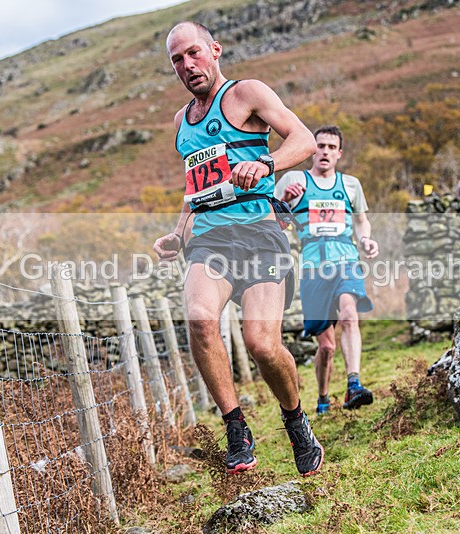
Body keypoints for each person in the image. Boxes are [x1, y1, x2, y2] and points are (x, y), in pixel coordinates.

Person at [152, 21, 324, 477]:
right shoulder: (181, 123)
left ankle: (295, 420)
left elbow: (303, 140)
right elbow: (195, 190)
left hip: (260, 235)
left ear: (215, 49)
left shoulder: (246, 93)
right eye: (177, 59)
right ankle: (236, 428)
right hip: (210, 240)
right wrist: (178, 232)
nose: (188, 65)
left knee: (261, 344)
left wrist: (265, 163)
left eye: (193, 53)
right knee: (200, 321)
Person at [274, 126, 380, 415]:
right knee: (327, 346)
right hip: (313, 268)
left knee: (349, 314)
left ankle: (353, 384)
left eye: (332, 147)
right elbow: (273, 221)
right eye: (320, 146)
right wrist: (284, 202)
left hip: (346, 260)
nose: (325, 152)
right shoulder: (294, 180)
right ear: (312, 149)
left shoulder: (351, 185)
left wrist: (366, 240)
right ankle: (323, 397)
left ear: (339, 153)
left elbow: (361, 221)